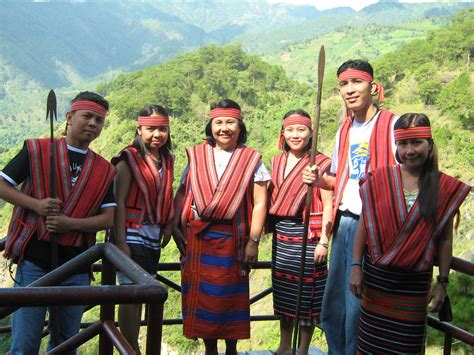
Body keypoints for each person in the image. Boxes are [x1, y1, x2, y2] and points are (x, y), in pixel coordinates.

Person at [0, 91, 116, 354]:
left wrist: (69, 223)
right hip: (34, 263)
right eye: (87, 116)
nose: (92, 124)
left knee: (65, 343)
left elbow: (107, 218)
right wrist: (36, 205)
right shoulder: (36, 149)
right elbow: (2, 185)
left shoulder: (104, 169)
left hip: (76, 265)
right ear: (69, 117)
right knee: (25, 344)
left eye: (99, 120)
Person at [349, 113, 471, 354]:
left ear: (430, 144)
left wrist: (443, 283)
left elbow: (445, 239)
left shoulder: (442, 187)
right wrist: (355, 266)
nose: (409, 150)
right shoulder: (381, 178)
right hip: (376, 281)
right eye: (403, 143)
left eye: (416, 142)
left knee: (406, 347)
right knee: (369, 345)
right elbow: (365, 224)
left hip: (413, 287)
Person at [303, 59, 397, 354]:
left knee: (360, 304)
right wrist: (319, 180)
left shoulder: (392, 125)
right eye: (344, 84)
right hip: (345, 223)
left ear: (372, 86)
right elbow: (341, 181)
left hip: (377, 225)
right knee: (335, 305)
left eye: (356, 82)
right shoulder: (345, 131)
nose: (350, 90)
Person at [173, 99, 269, 355]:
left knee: (230, 298)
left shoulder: (250, 160)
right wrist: (175, 226)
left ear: (240, 126)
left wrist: (254, 240)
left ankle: (231, 349)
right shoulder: (198, 156)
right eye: (219, 123)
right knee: (203, 297)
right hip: (199, 238)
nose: (224, 128)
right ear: (211, 125)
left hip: (234, 239)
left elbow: (260, 203)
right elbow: (183, 193)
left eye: (230, 122)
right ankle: (209, 349)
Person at [268, 110, 333, 355]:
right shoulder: (277, 162)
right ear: (282, 133)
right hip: (283, 235)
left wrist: (324, 242)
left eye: (301, 130)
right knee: (284, 292)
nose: (295, 135)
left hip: (309, 235)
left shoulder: (321, 163)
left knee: (308, 296)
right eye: (290, 130)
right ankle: (285, 345)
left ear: (310, 133)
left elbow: (328, 203)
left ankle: (303, 349)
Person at [111, 104, 174, 353]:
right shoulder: (128, 159)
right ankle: (129, 348)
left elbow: (167, 194)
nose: (156, 134)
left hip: (151, 235)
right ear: (139, 128)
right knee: (130, 292)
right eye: (150, 129)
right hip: (132, 232)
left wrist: (168, 223)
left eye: (162, 129)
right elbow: (118, 202)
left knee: (143, 293)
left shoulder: (166, 159)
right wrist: (120, 241)